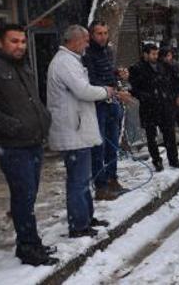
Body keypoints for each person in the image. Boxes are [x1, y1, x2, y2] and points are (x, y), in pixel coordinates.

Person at [0, 24, 59, 266]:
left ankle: (31, 242)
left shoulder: (22, 66)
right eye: (14, 41)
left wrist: (43, 117)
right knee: (23, 196)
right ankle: (28, 247)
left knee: (28, 197)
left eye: (22, 41)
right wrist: (12, 126)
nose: (20, 45)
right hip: (12, 146)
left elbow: (32, 100)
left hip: (33, 142)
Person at [47, 25, 116, 238]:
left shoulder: (71, 61)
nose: (88, 45)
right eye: (85, 41)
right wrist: (106, 91)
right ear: (75, 41)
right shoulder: (65, 63)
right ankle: (79, 225)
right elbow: (83, 90)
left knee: (82, 178)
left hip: (78, 129)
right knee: (78, 180)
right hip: (72, 130)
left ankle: (86, 217)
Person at [82, 21, 132, 201]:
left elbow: (108, 73)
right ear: (91, 35)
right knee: (99, 146)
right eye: (99, 33)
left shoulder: (108, 51)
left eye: (105, 33)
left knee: (113, 144)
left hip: (112, 103)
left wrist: (118, 73)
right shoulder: (87, 54)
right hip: (98, 105)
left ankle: (112, 179)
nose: (103, 37)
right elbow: (92, 81)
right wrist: (115, 92)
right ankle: (100, 185)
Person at [129, 43, 179, 171]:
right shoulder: (137, 68)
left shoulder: (163, 66)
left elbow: (177, 80)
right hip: (149, 107)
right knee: (151, 136)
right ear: (145, 54)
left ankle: (173, 159)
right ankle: (157, 160)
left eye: (156, 53)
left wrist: (177, 95)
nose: (155, 56)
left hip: (165, 105)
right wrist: (146, 96)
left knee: (169, 133)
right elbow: (134, 88)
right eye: (153, 54)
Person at [159, 46, 179, 147]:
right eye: (166, 56)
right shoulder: (163, 66)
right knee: (176, 118)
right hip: (169, 96)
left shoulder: (173, 66)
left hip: (174, 95)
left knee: (175, 118)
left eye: (169, 55)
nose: (167, 58)